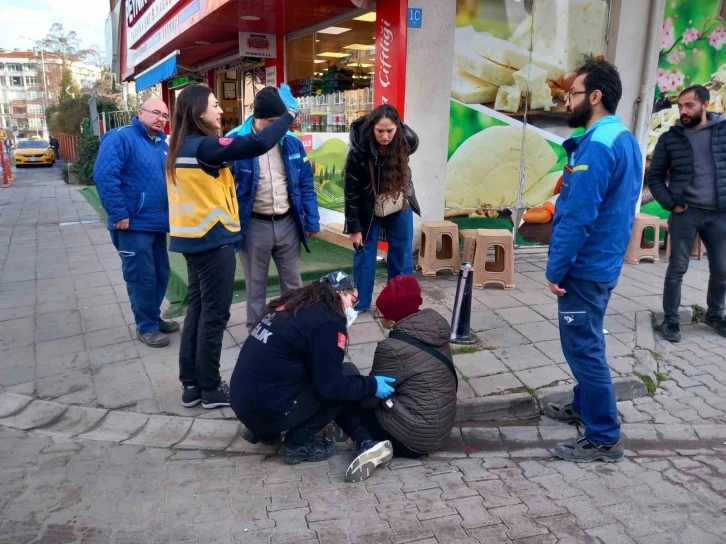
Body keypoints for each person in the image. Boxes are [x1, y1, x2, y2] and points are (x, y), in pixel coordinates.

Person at [166, 84, 299, 410]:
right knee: (213, 317)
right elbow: (258, 142)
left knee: (196, 313)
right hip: (213, 241)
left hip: (192, 239)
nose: (220, 111)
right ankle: (211, 388)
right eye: (214, 105)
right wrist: (289, 116)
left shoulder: (180, 146)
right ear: (199, 112)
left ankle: (191, 385)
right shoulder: (205, 147)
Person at [543, 59, 642, 463]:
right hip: (604, 262)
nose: (567, 103)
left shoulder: (598, 145)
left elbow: (580, 214)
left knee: (583, 348)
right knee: (589, 337)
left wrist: (555, 268)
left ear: (595, 97)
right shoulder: (624, 138)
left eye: (573, 95)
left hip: (584, 267)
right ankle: (583, 408)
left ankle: (603, 436)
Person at [229, 271, 398, 465]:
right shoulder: (328, 323)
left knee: (316, 373)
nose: (353, 309)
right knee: (346, 374)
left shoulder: (291, 306)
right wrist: (371, 385)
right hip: (266, 410)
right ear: (341, 293)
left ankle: (264, 431)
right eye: (353, 301)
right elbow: (332, 386)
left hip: (244, 402)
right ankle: (298, 443)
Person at [337, 274, 457, 482]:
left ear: (392, 320)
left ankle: (367, 443)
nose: (378, 317)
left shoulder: (392, 349)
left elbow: (369, 401)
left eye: (380, 314)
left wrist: (357, 386)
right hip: (439, 432)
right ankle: (346, 430)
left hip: (412, 438)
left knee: (344, 382)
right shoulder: (433, 329)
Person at [227, 87, 320, 330]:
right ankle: (256, 330)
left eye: (280, 122)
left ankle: (293, 329)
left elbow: (305, 183)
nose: (276, 127)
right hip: (253, 224)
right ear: (256, 117)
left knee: (293, 283)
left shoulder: (291, 142)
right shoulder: (236, 140)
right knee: (255, 284)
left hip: (288, 222)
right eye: (270, 122)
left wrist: (312, 220)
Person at [93, 98, 177, 348]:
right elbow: (105, 175)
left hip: (157, 223)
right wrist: (119, 214)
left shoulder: (161, 143)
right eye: (155, 113)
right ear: (140, 113)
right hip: (131, 225)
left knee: (160, 274)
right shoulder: (120, 137)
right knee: (142, 278)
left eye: (164, 115)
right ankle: (146, 327)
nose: (161, 118)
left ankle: (153, 318)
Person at [648, 84, 726, 343]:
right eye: (680, 106)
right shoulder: (670, 138)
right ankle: (670, 320)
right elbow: (655, 177)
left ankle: (714, 314)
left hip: (718, 215)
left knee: (722, 268)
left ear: (705, 104)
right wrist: (671, 204)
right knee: (677, 268)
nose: (683, 110)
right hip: (686, 212)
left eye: (689, 105)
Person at [344, 104, 420, 312]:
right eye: (380, 131)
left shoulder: (407, 141)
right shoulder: (358, 149)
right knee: (364, 251)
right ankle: (361, 302)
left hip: (398, 200)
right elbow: (350, 191)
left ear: (398, 128)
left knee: (402, 251)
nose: (385, 136)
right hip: (368, 205)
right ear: (371, 128)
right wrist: (354, 227)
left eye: (390, 131)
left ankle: (401, 301)